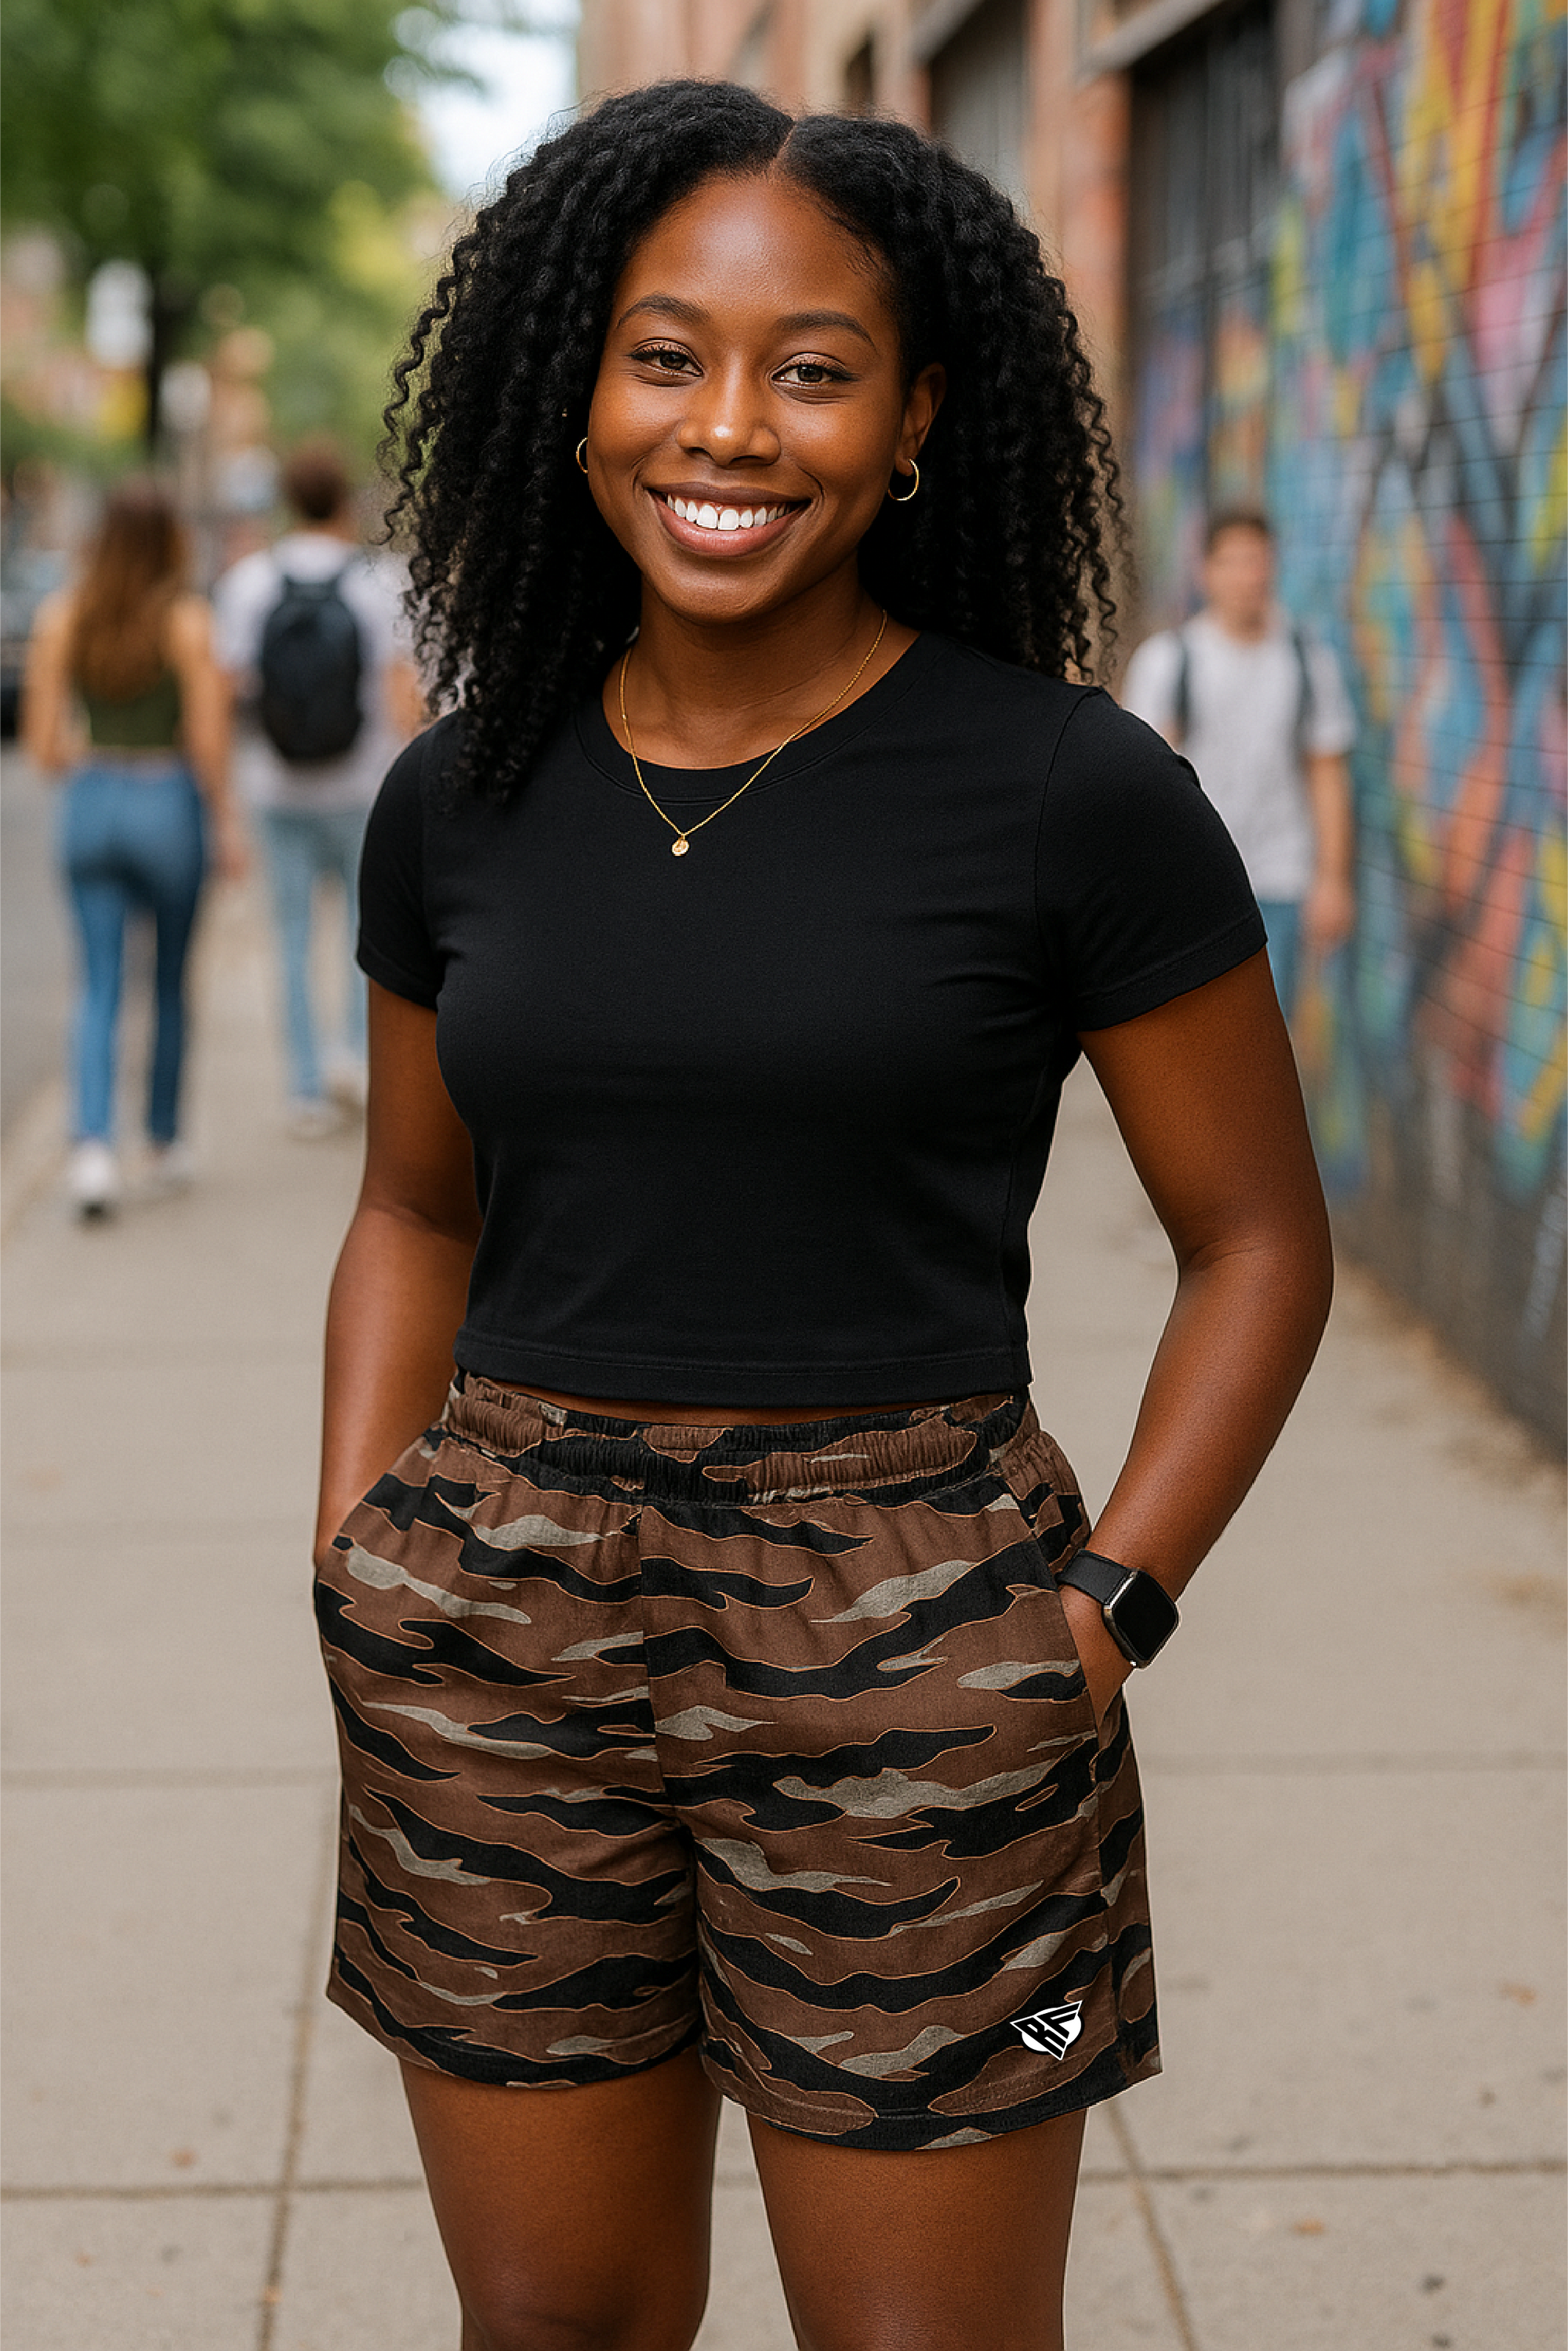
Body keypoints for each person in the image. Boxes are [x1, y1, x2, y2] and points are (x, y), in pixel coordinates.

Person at [314, 83, 1334, 2351]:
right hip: (501, 1629)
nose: (730, 425)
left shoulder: (1074, 789)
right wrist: (361, 1541)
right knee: (555, 2317)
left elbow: (1261, 1236)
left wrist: (1099, 1613)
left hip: (919, 1619)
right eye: (668, 352)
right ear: (573, 381)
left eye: (812, 366)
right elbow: (406, 1200)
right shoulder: (457, 793)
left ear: (915, 415)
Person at [23, 477, 245, 1217]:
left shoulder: (63, 616)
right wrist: (226, 822)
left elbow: (44, 747)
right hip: (166, 803)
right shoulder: (186, 619)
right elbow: (209, 742)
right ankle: (163, 1139)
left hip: (91, 803)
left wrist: (91, 747)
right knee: (171, 980)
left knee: (98, 983)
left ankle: (91, 1148)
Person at [212, 440, 422, 1137]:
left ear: (286, 502)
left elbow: (231, 692)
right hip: (363, 787)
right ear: (341, 501)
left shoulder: (248, 583)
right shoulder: (380, 580)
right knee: (370, 936)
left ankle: (303, 1089)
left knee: (292, 936)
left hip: (276, 788)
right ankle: (355, 1062)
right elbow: (403, 699)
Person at [1121, 508, 1357, 1018]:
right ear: (1206, 571)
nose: (1249, 575)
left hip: (1281, 879)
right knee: (1194, 1039)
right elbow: (1137, 785)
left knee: (1268, 1037)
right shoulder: (1168, 661)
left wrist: (1333, 878)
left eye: (1258, 560)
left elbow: (1326, 771)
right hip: (1192, 886)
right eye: (1234, 561)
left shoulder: (1307, 658)